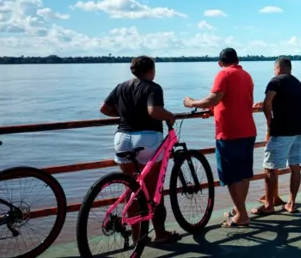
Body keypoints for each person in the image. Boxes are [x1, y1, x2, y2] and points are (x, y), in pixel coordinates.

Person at [100, 56, 179, 244]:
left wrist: (125, 114)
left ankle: (138, 237)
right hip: (147, 139)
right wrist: (169, 116)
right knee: (153, 191)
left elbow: (104, 108)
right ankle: (161, 234)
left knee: (132, 188)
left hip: (122, 138)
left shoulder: (121, 86)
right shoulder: (153, 87)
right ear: (151, 70)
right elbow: (154, 111)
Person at [184, 48, 256, 228]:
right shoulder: (246, 75)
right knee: (244, 172)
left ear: (220, 63)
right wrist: (213, 110)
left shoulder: (223, 74)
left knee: (230, 175)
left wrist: (191, 103)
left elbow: (213, 99)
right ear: (237, 60)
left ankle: (241, 215)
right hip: (248, 129)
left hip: (229, 132)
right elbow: (236, 100)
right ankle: (240, 210)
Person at [252, 57, 301, 215]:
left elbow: (269, 101)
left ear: (277, 68)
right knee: (295, 166)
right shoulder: (297, 83)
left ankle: (269, 205)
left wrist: (269, 119)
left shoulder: (275, 81)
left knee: (270, 167)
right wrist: (267, 105)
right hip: (298, 129)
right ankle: (291, 203)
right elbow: (287, 102)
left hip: (282, 130)